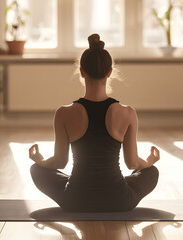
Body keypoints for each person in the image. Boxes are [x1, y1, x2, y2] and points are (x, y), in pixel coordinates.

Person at [29, 34, 160, 212]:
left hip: (75, 200)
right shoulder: (127, 113)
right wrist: (150, 162)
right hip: (119, 200)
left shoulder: (64, 113)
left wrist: (40, 160)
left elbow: (59, 162)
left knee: (36, 170)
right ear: (110, 72)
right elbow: (133, 164)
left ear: (82, 72)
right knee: (151, 173)